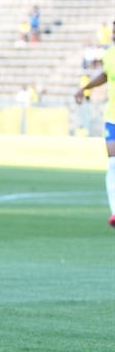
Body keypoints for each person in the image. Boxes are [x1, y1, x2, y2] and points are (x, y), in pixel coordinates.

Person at [74, 23, 115, 228]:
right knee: (113, 163)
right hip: (113, 117)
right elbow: (106, 75)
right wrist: (86, 88)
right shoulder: (109, 55)